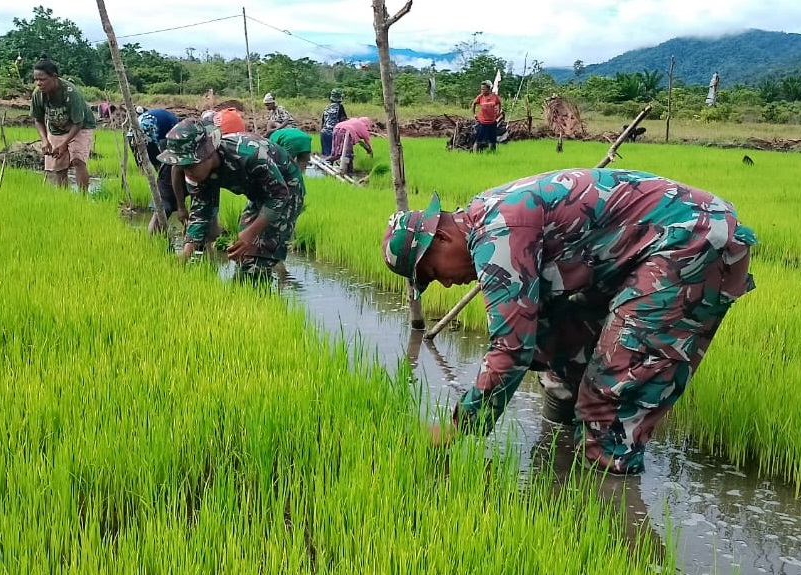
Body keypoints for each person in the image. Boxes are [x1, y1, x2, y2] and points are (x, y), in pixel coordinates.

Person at [381, 168, 757, 476]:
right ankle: (566, 442)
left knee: (609, 405)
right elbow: (532, 328)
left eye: (433, 271)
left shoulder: (497, 236)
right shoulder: (485, 216)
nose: (445, 283)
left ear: (443, 236)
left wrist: (456, 428)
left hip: (691, 239)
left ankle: (612, 503)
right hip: (643, 252)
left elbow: (510, 348)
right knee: (550, 331)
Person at [158, 118, 305, 282]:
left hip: (287, 189)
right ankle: (250, 291)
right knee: (244, 252)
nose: (187, 173)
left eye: (191, 165)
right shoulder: (198, 173)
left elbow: (279, 195)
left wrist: (251, 233)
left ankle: (257, 296)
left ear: (208, 152)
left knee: (257, 256)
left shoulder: (250, 155)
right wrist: (186, 253)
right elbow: (200, 212)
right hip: (258, 194)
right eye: (182, 167)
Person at [30, 56, 97, 194]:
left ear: (54, 77)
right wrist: (44, 140)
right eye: (36, 79)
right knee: (59, 165)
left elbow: (78, 123)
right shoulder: (38, 94)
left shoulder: (70, 92)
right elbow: (38, 119)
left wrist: (64, 144)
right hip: (56, 128)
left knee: (78, 160)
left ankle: (83, 198)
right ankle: (63, 197)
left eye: (42, 79)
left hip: (80, 126)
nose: (38, 83)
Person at [128, 108, 180, 234]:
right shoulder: (175, 125)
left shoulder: (168, 123)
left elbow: (156, 154)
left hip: (138, 133)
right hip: (150, 132)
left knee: (163, 166)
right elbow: (165, 149)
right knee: (163, 169)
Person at [471, 80, 502, 152]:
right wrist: (474, 114)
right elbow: (474, 104)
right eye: (481, 89)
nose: (482, 91)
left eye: (484, 89)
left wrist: (499, 113)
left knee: (492, 140)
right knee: (479, 139)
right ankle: (476, 153)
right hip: (482, 122)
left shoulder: (494, 97)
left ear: (489, 89)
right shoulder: (480, 97)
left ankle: (493, 153)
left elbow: (499, 103)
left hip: (492, 122)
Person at [319, 88, 348, 157]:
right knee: (332, 155)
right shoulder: (340, 107)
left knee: (325, 154)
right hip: (333, 133)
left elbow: (323, 122)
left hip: (324, 132)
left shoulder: (327, 107)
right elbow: (343, 121)